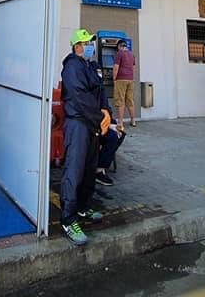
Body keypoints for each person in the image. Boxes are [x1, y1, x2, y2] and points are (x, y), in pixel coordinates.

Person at [60, 29, 109, 246]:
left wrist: (106, 112)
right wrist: (99, 117)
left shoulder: (90, 66)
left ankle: (82, 207)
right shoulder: (72, 67)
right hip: (79, 123)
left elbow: (100, 92)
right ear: (77, 46)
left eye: (90, 42)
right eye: (86, 42)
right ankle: (68, 219)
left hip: (92, 123)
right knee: (74, 170)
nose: (90, 46)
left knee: (89, 169)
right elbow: (79, 96)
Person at [113, 39, 137, 127]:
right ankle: (133, 120)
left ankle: (120, 122)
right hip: (130, 79)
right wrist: (131, 78)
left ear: (119, 46)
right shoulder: (131, 55)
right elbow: (133, 68)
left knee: (120, 100)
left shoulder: (119, 53)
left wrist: (114, 78)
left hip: (121, 79)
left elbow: (116, 67)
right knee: (130, 100)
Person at [95, 119, 126, 186]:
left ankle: (102, 163)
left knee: (120, 132)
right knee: (112, 136)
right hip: (89, 123)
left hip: (100, 121)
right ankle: (99, 170)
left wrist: (112, 125)